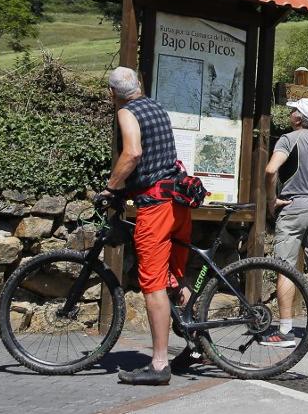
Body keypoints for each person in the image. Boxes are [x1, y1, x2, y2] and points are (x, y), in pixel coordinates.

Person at [96, 67, 191, 386]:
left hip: (157, 208)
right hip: (178, 202)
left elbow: (134, 152)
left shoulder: (126, 112)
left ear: (113, 93)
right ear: (139, 84)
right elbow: (157, 156)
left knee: (152, 285)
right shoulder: (156, 107)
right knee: (173, 279)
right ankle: (197, 345)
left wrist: (111, 186)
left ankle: (160, 364)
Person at [262, 97, 308, 347]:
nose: (291, 112)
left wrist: (271, 201)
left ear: (298, 118)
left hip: (293, 209)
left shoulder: (288, 139)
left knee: (286, 267)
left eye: (294, 110)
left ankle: (285, 331)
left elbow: (271, 170)